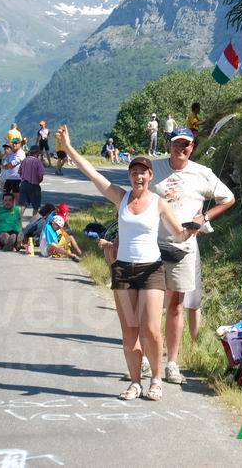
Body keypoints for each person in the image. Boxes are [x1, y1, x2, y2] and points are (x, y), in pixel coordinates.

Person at [57, 125, 191, 401]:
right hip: (123, 270)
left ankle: (155, 378)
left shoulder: (158, 202)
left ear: (150, 176)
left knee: (151, 329)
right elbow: (93, 175)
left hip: (151, 269)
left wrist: (197, 225)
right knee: (129, 331)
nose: (138, 176)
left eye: (142, 172)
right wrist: (69, 149)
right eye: (133, 172)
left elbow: (179, 233)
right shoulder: (121, 197)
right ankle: (134, 382)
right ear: (129, 176)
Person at [151, 127, 236, 385]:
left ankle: (172, 364)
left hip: (184, 248)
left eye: (186, 144)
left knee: (176, 305)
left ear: (193, 146)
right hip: (152, 245)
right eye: (177, 143)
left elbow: (229, 198)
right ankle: (147, 358)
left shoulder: (202, 173)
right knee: (151, 305)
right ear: (168, 145)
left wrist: (205, 217)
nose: (182, 148)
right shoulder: (153, 168)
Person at [18, 147, 45, 221]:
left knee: (23, 205)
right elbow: (41, 175)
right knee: (35, 206)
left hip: (23, 184)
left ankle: (17, 220)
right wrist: (38, 181)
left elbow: (19, 172)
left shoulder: (24, 160)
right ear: (37, 153)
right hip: (34, 185)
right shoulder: (37, 161)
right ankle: (34, 221)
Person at [1, 137, 25, 203]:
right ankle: (7, 212)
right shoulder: (11, 154)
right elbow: (4, 163)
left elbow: (11, 165)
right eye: (13, 143)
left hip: (17, 179)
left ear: (20, 144)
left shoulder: (21, 153)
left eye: (16, 143)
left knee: (16, 199)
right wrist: (4, 166)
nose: (14, 145)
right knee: (5, 197)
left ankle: (15, 212)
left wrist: (3, 166)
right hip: (8, 178)